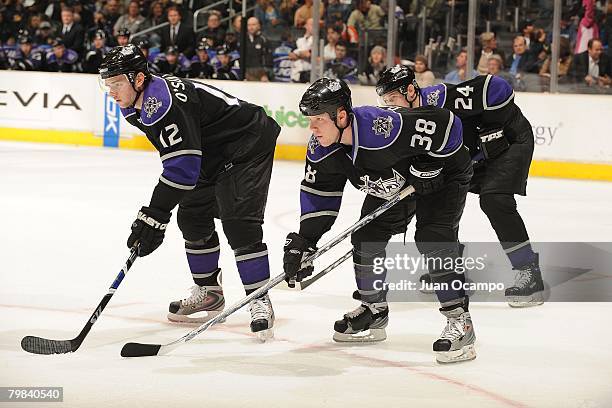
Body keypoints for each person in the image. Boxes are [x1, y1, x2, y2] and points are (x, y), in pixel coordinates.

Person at [284, 78, 476, 363]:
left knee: (432, 237)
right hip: (393, 182)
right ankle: (373, 311)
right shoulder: (321, 149)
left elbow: (446, 122)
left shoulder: (381, 127)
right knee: (366, 238)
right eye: (309, 120)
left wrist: (430, 164)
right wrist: (306, 240)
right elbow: (320, 194)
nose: (311, 128)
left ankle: (461, 322)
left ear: (340, 116)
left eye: (318, 120)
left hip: (444, 175)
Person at [99, 44, 281, 340]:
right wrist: (157, 214)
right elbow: (178, 159)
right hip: (209, 151)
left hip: (247, 143)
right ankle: (209, 292)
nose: (112, 91)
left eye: (117, 83)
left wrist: (154, 213)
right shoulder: (133, 106)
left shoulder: (163, 102)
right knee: (193, 216)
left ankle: (258, 297)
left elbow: (182, 167)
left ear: (139, 79)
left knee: (239, 222)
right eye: (108, 84)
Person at [376, 65, 545, 308]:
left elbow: (495, 87)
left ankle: (529, 274)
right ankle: (451, 270)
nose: (388, 105)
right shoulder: (404, 121)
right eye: (385, 100)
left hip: (510, 141)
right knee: (444, 198)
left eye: (393, 98)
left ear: (411, 91)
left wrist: (492, 127)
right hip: (471, 156)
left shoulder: (440, 99)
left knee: (494, 200)